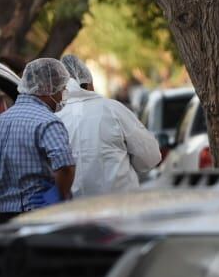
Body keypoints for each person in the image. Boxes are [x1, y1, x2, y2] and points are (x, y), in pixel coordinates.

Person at [0, 58, 76, 223]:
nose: (62, 95)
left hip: (5, 218)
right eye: (61, 89)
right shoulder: (48, 121)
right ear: (47, 88)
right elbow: (66, 166)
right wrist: (59, 195)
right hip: (40, 215)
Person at [57, 55, 161, 196]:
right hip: (120, 206)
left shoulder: (54, 118)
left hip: (72, 212)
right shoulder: (112, 109)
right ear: (88, 84)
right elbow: (151, 156)